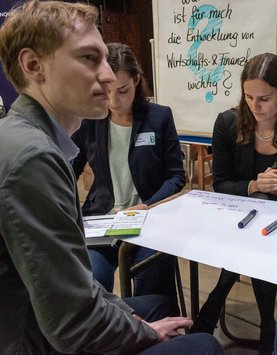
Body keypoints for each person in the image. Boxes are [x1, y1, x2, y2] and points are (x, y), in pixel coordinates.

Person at [0, 1, 223, 354]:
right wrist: (147, 332)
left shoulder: (24, 138)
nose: (107, 76)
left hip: (43, 325)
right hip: (37, 341)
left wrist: (134, 321)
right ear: (33, 66)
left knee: (158, 306)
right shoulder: (34, 158)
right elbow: (72, 324)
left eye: (105, 59)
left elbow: (76, 298)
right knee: (205, 345)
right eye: (89, 58)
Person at [189, 53, 277, 354]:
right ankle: (266, 329)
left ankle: (212, 311)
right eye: (248, 97)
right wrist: (253, 186)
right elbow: (220, 184)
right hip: (237, 221)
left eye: (264, 98)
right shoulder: (227, 123)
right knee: (251, 246)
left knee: (253, 248)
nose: (255, 106)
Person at [72, 42, 185, 310]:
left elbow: (176, 176)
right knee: (92, 282)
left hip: (149, 220)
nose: (114, 101)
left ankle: (151, 339)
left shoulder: (159, 117)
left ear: (136, 79)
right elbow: (68, 171)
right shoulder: (89, 120)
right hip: (102, 220)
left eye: (122, 91)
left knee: (151, 280)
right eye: (106, 92)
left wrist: (147, 205)